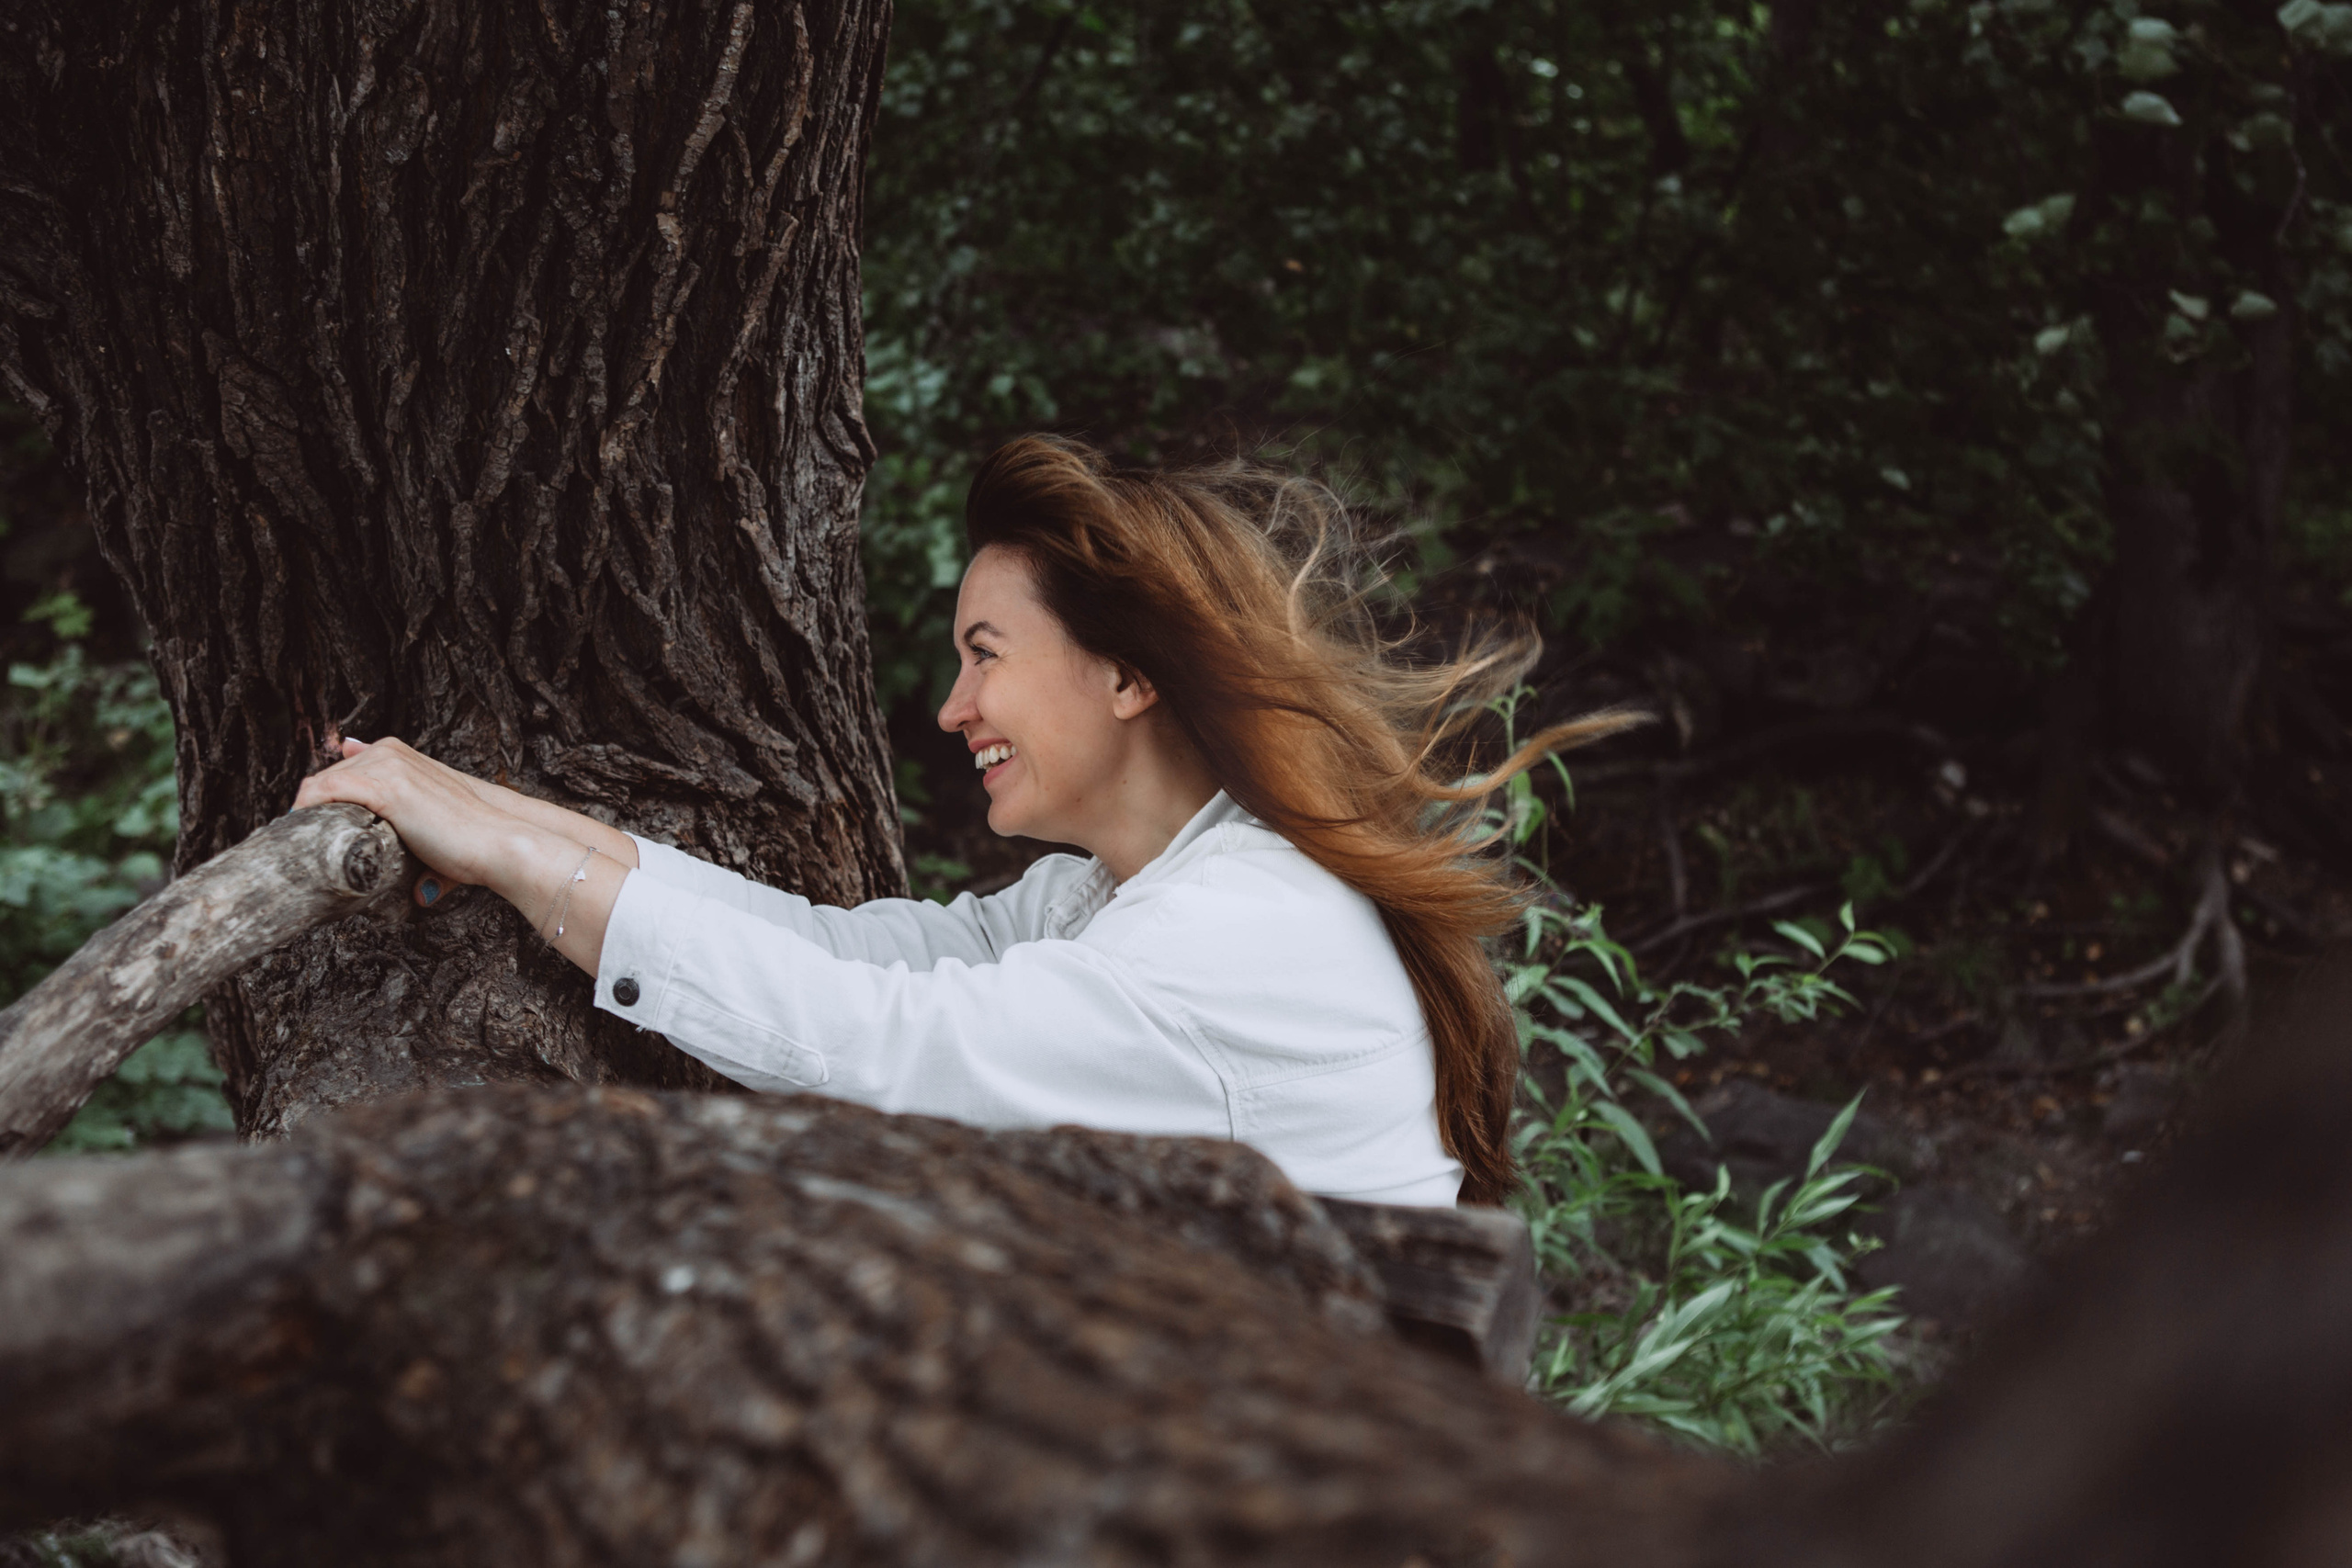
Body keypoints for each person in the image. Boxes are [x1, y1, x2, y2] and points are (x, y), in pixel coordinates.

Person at [294, 436, 1635, 1206]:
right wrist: (480, 815)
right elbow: (854, 956)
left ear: (1125, 674)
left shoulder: (1242, 934)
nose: (952, 705)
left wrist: (509, 853)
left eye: (986, 652)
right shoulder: (1129, 891)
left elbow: (876, 1043)